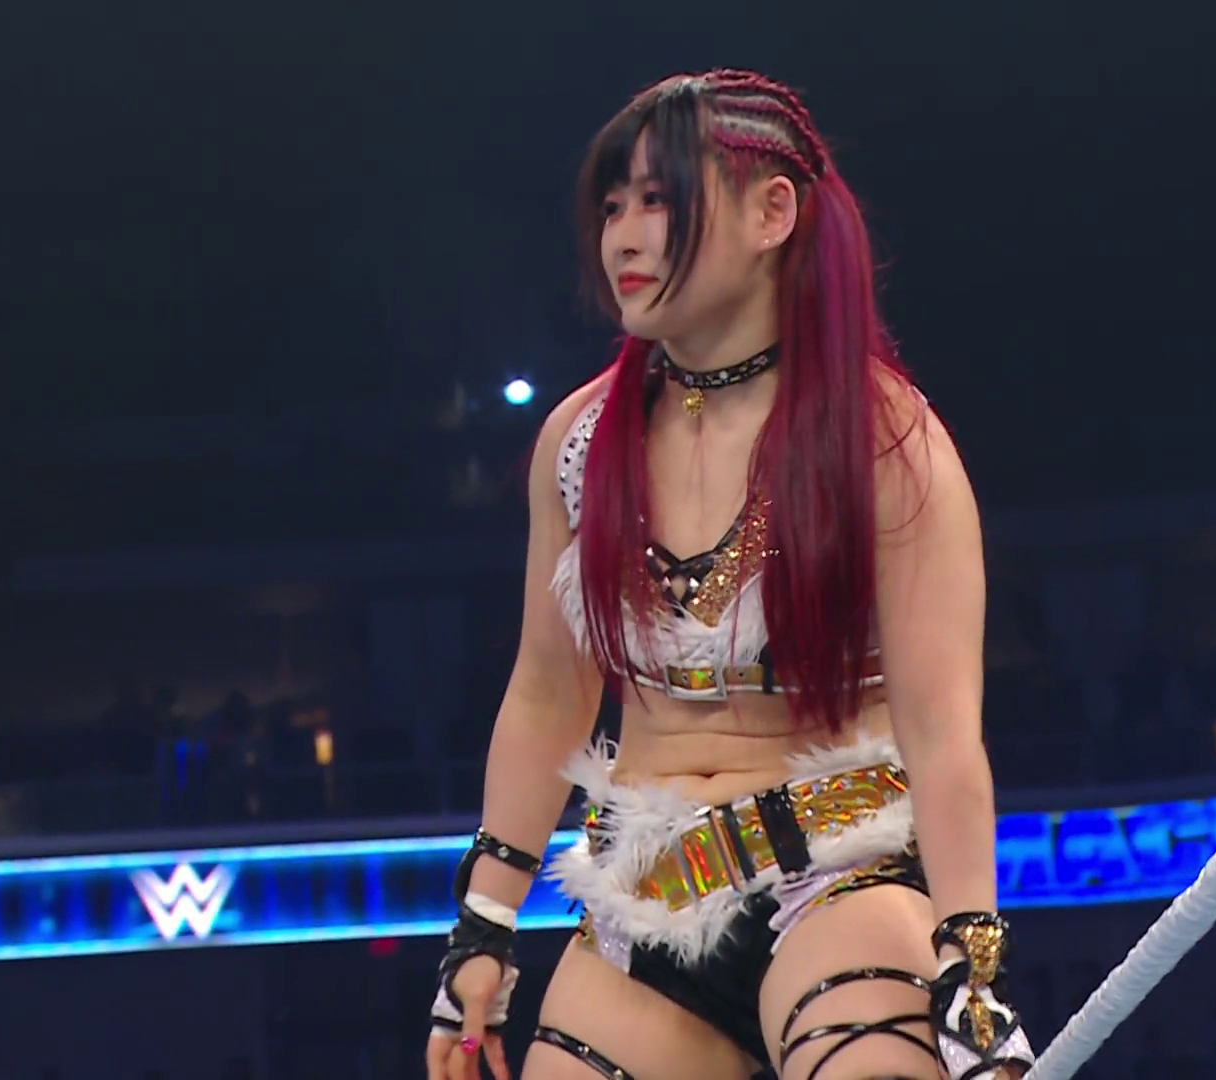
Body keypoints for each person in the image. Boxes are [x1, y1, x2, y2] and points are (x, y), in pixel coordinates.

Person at [424, 70, 1032, 1080]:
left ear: (771, 213)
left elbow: (940, 729)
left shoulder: (886, 442)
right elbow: (546, 692)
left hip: (838, 880)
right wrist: (482, 929)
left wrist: (971, 970)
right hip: (648, 896)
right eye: (611, 207)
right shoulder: (579, 443)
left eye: (658, 201)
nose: (623, 238)